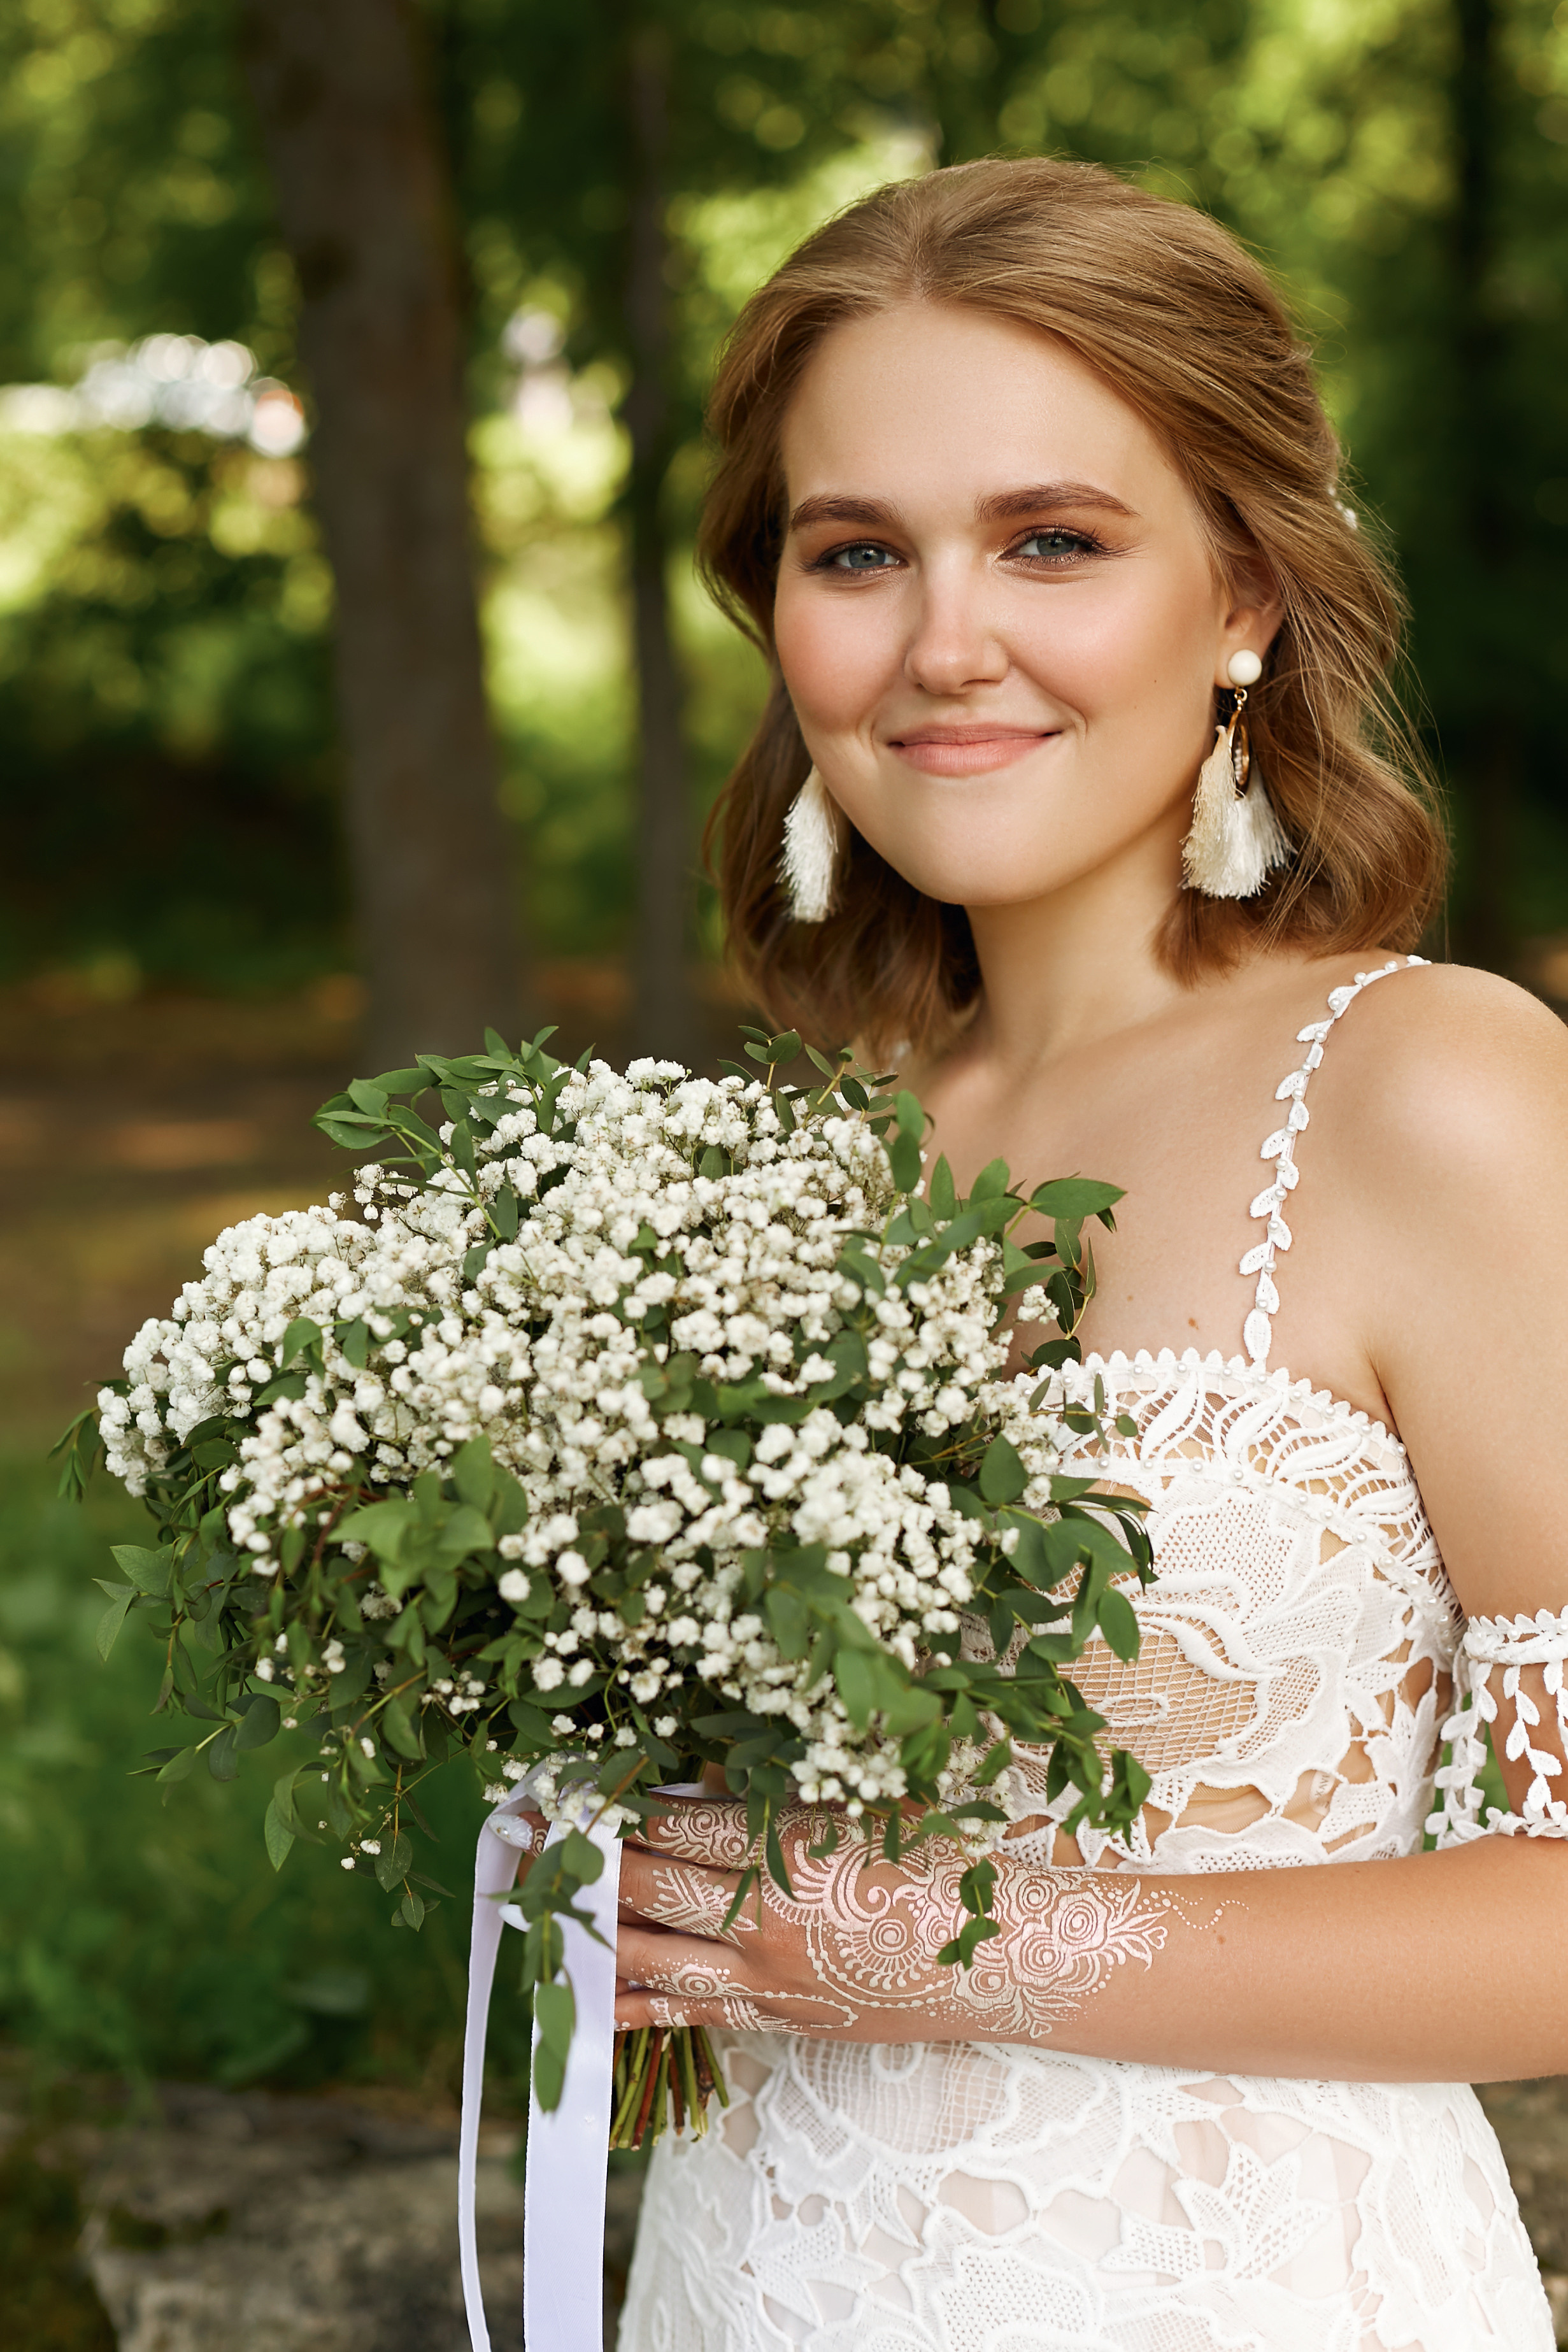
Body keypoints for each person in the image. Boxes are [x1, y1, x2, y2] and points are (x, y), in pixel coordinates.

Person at [603, 157, 1568, 2348]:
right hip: (754, 2278)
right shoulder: (793, 1184)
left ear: (1244, 596)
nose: (950, 640)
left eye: (1053, 540)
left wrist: (980, 1939)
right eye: (861, 553)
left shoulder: (1441, 1093)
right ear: (784, 617)